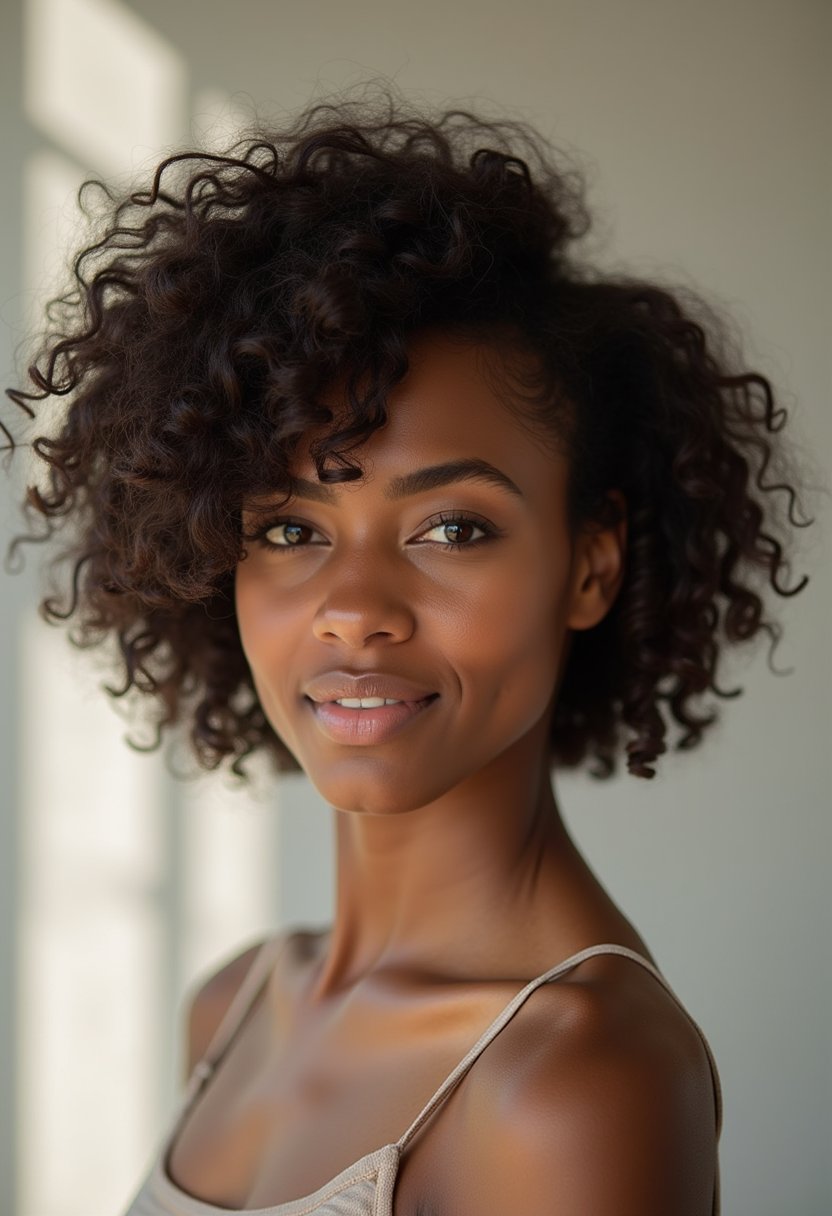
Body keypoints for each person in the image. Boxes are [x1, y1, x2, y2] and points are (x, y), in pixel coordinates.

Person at [4, 88, 814, 1216]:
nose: (354, 610)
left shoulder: (575, 1079)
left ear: (591, 566)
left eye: (452, 529)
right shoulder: (236, 1004)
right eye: (289, 530)